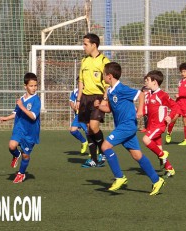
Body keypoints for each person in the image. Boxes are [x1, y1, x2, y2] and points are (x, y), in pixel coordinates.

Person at [97, 62, 165, 196]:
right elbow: (110, 109)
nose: (103, 76)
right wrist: (99, 106)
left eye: (104, 74)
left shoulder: (121, 88)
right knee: (137, 155)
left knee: (105, 147)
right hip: (123, 126)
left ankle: (119, 177)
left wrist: (139, 110)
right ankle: (157, 180)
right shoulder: (110, 91)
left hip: (127, 125)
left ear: (109, 76)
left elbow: (141, 95)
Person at [0, 73, 41, 183]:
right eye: (31, 86)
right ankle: (16, 155)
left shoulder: (36, 100)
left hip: (31, 132)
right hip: (19, 128)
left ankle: (21, 174)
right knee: (12, 146)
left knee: (26, 155)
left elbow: (33, 116)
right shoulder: (21, 99)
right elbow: (16, 113)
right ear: (25, 86)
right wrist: (6, 118)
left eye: (35, 85)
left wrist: (22, 106)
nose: (34, 88)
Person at [75, 33, 110, 168]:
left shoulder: (104, 61)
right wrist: (78, 99)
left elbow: (107, 84)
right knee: (89, 128)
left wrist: (105, 99)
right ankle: (94, 159)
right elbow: (81, 81)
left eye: (85, 44)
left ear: (94, 45)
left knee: (94, 126)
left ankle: (103, 152)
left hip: (98, 97)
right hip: (85, 98)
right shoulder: (84, 60)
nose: (83, 47)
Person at [142, 71, 180, 178]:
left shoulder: (162, 95)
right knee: (158, 150)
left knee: (146, 140)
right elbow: (147, 110)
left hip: (159, 125)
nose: (146, 82)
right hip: (151, 126)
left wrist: (170, 116)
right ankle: (170, 169)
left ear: (155, 82)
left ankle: (163, 155)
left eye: (148, 80)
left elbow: (175, 106)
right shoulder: (149, 94)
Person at [166, 62, 186, 145]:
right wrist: (178, 96)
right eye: (181, 72)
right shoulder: (181, 81)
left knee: (185, 120)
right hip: (179, 103)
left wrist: (180, 94)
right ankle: (169, 133)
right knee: (174, 118)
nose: (182, 73)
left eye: (184, 72)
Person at [69, 83, 88, 154]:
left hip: (85, 115)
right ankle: (84, 142)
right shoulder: (75, 91)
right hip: (78, 115)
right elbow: (71, 101)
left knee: (88, 132)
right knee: (73, 130)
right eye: (78, 82)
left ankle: (95, 149)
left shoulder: (87, 91)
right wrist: (74, 107)